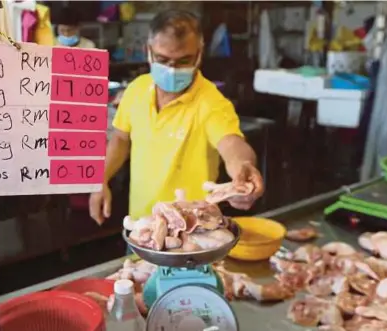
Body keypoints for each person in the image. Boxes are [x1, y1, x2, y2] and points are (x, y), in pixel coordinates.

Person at [89, 10, 264, 224]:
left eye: (183, 61)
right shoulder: (136, 90)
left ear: (199, 54)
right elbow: (121, 138)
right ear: (149, 51)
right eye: (163, 59)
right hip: (142, 225)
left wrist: (243, 168)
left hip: (194, 231)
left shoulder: (211, 102)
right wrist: (101, 179)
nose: (172, 69)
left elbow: (231, 144)